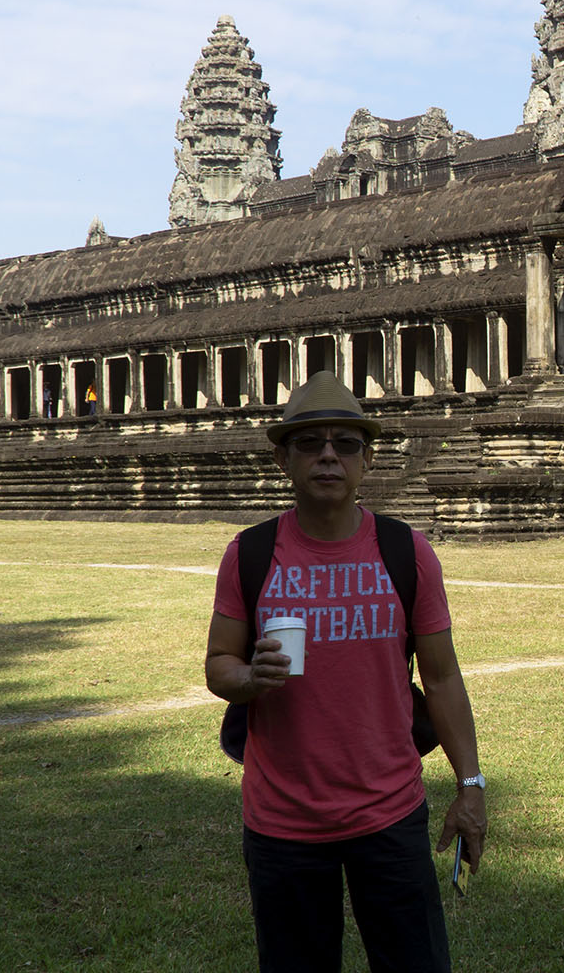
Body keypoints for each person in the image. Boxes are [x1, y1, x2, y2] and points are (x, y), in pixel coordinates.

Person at [204, 371, 485, 973]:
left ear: (366, 458)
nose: (329, 454)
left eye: (345, 442)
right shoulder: (250, 554)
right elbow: (218, 664)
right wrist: (248, 678)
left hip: (389, 814)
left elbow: (441, 678)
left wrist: (471, 787)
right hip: (282, 822)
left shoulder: (406, 551)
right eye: (310, 442)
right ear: (284, 457)